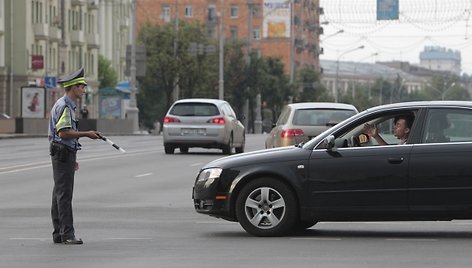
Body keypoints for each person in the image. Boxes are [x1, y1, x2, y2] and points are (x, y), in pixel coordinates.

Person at [48, 67, 101, 245]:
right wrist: (87, 134)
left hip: (62, 152)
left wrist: (74, 156)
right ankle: (68, 234)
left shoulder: (63, 104)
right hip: (62, 152)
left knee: (58, 193)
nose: (84, 90)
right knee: (64, 195)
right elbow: (63, 133)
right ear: (73, 88)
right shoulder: (65, 107)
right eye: (82, 86)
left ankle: (58, 233)